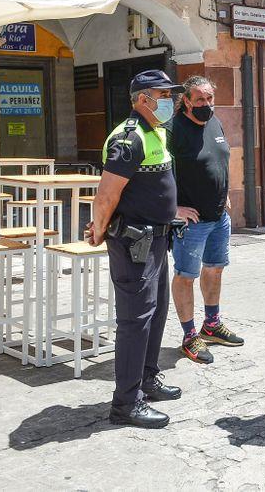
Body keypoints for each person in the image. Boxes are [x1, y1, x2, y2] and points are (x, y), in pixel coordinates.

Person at [85, 69, 184, 430]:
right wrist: (98, 229)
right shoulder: (127, 139)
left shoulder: (154, 131)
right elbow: (107, 193)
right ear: (144, 99)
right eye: (164, 95)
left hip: (157, 238)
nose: (170, 101)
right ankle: (126, 403)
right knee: (135, 320)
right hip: (133, 242)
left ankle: (147, 378)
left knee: (155, 313)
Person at [168, 76, 243, 366]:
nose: (206, 104)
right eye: (199, 99)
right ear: (186, 100)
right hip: (191, 222)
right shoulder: (172, 130)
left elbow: (222, 159)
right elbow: (158, 173)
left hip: (218, 216)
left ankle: (211, 325)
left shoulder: (215, 122)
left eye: (210, 98)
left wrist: (225, 192)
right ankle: (189, 336)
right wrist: (174, 207)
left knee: (215, 270)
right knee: (186, 276)